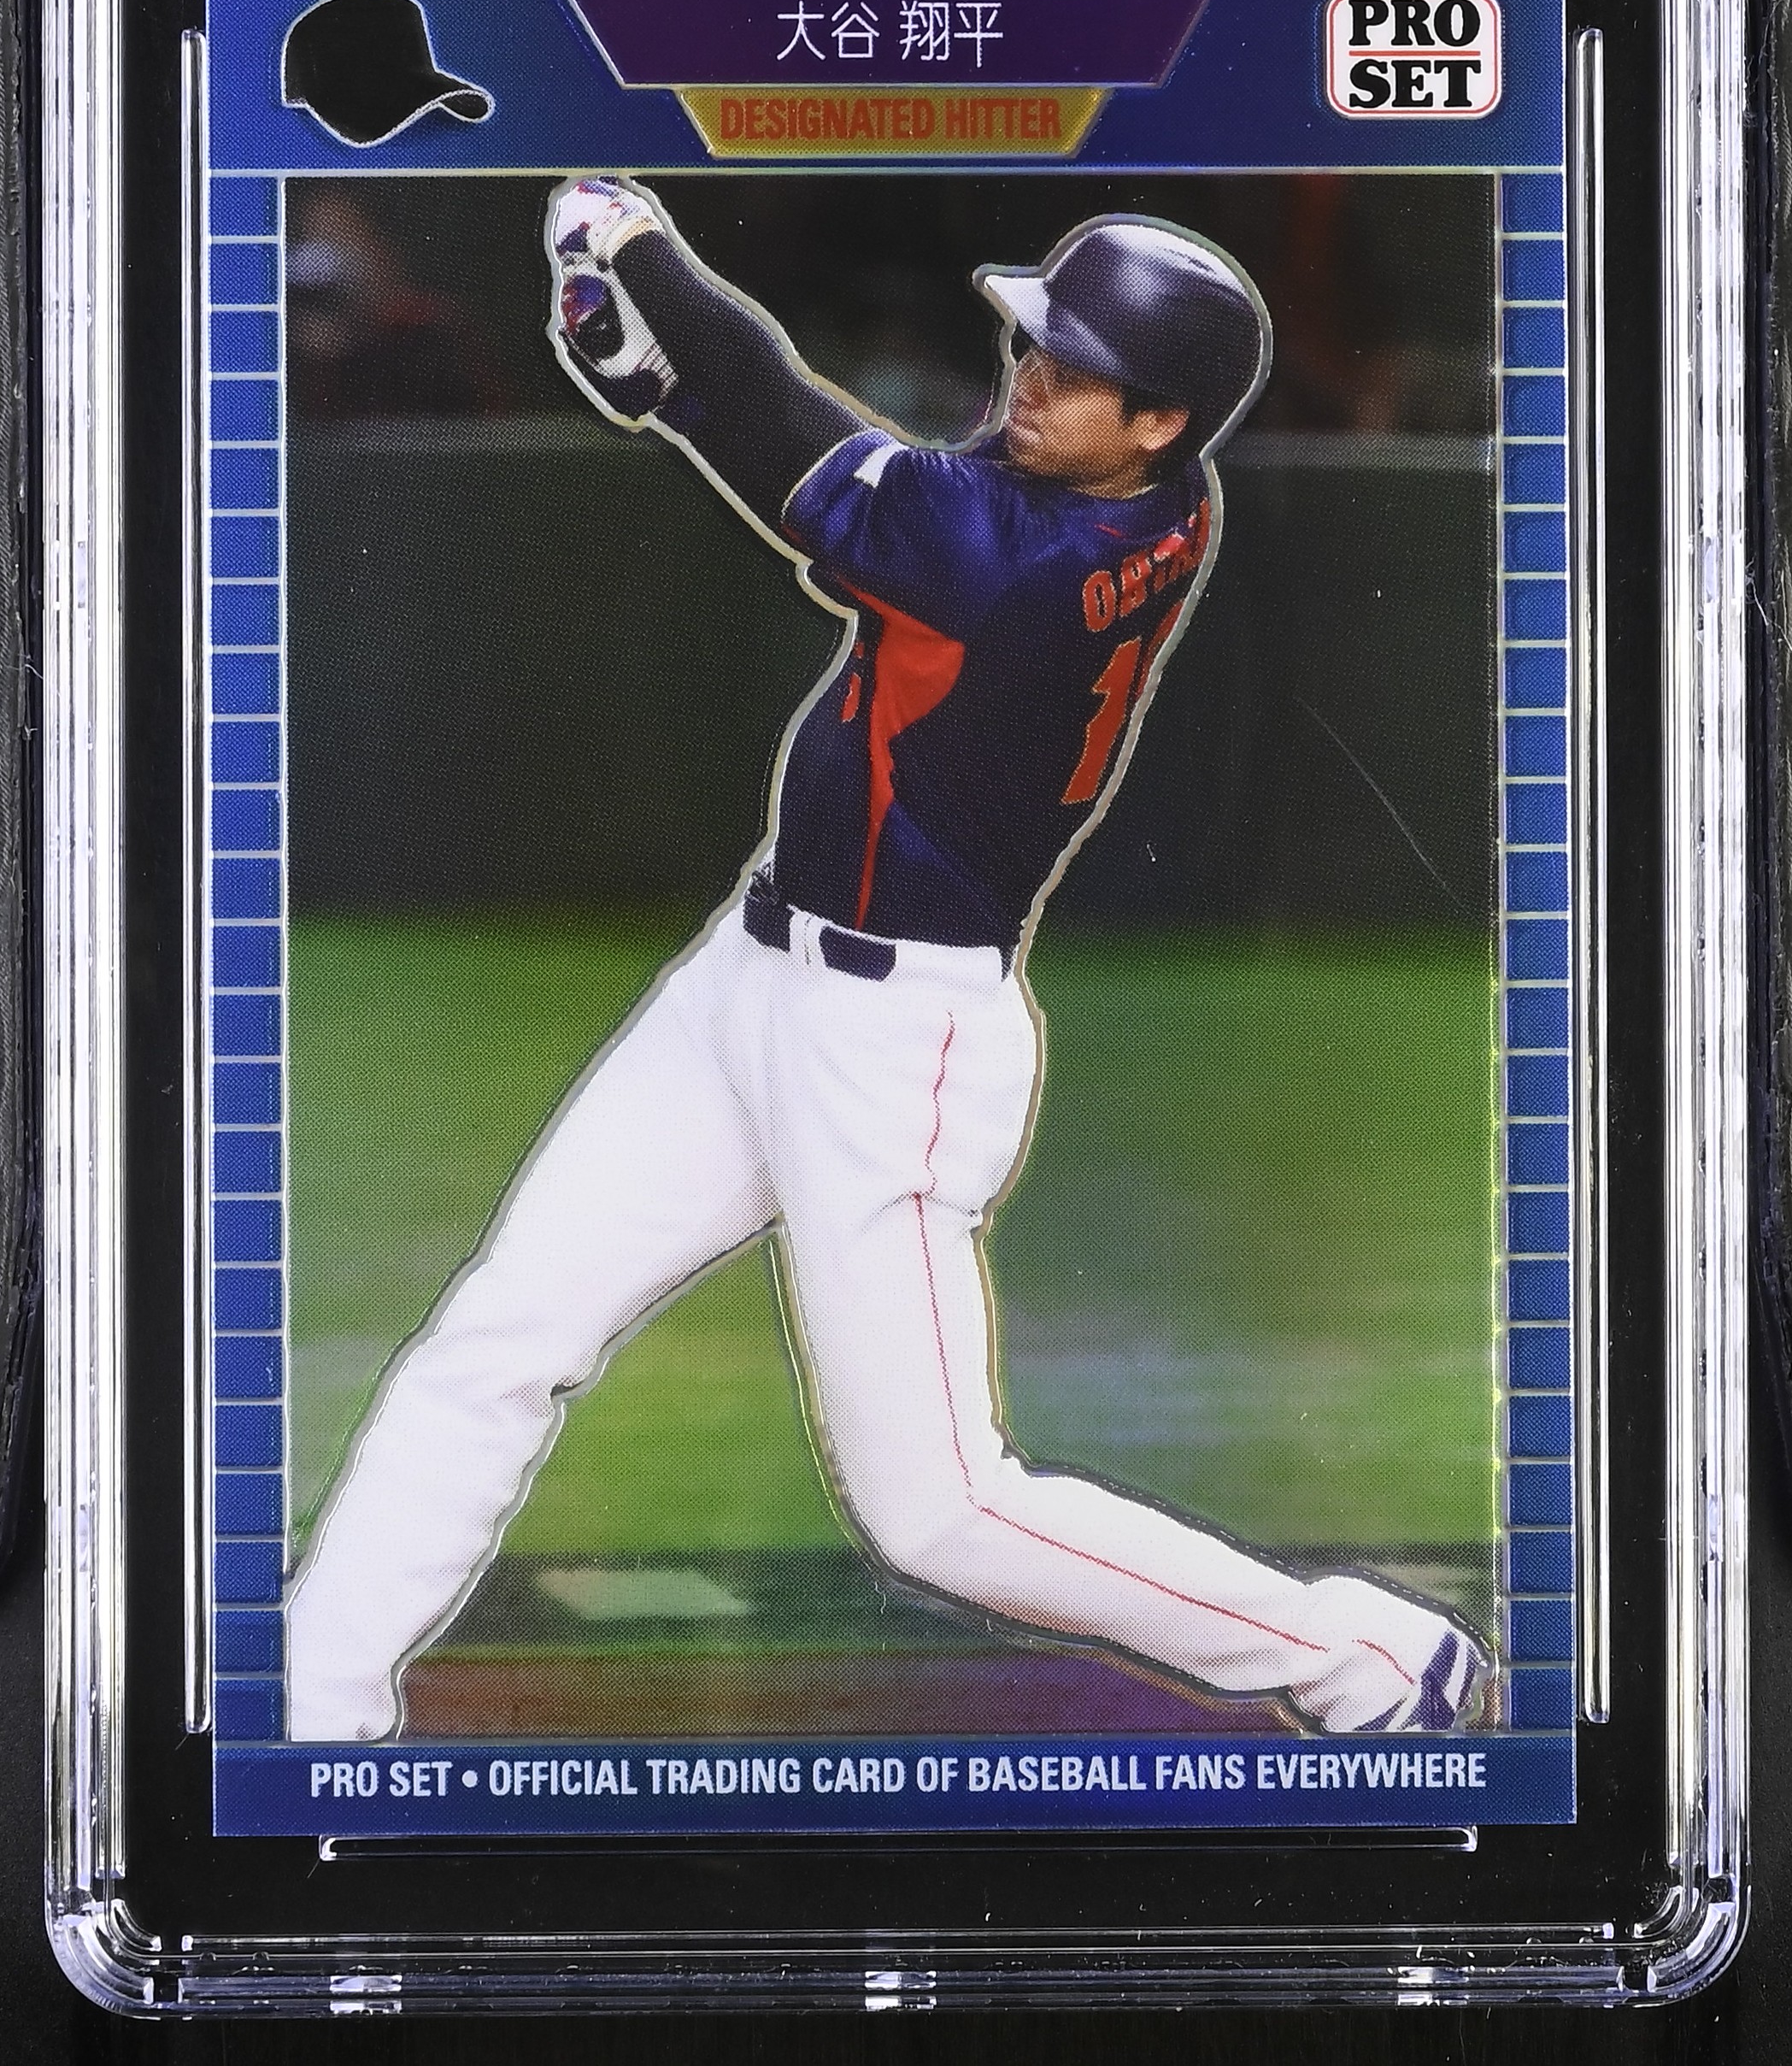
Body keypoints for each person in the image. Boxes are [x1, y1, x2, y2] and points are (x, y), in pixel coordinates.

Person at [285, 183, 1491, 1743]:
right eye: (1036, 345)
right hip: (747, 982)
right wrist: (669, 393)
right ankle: (314, 1706)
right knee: (499, 1337)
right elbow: (831, 477)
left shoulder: (1023, 564)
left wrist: (639, 249)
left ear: (1159, 423)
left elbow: (791, 426)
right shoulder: (1137, 493)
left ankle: (1363, 1664)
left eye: (1074, 371)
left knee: (940, 1513)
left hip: (892, 1045)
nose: (1029, 380)